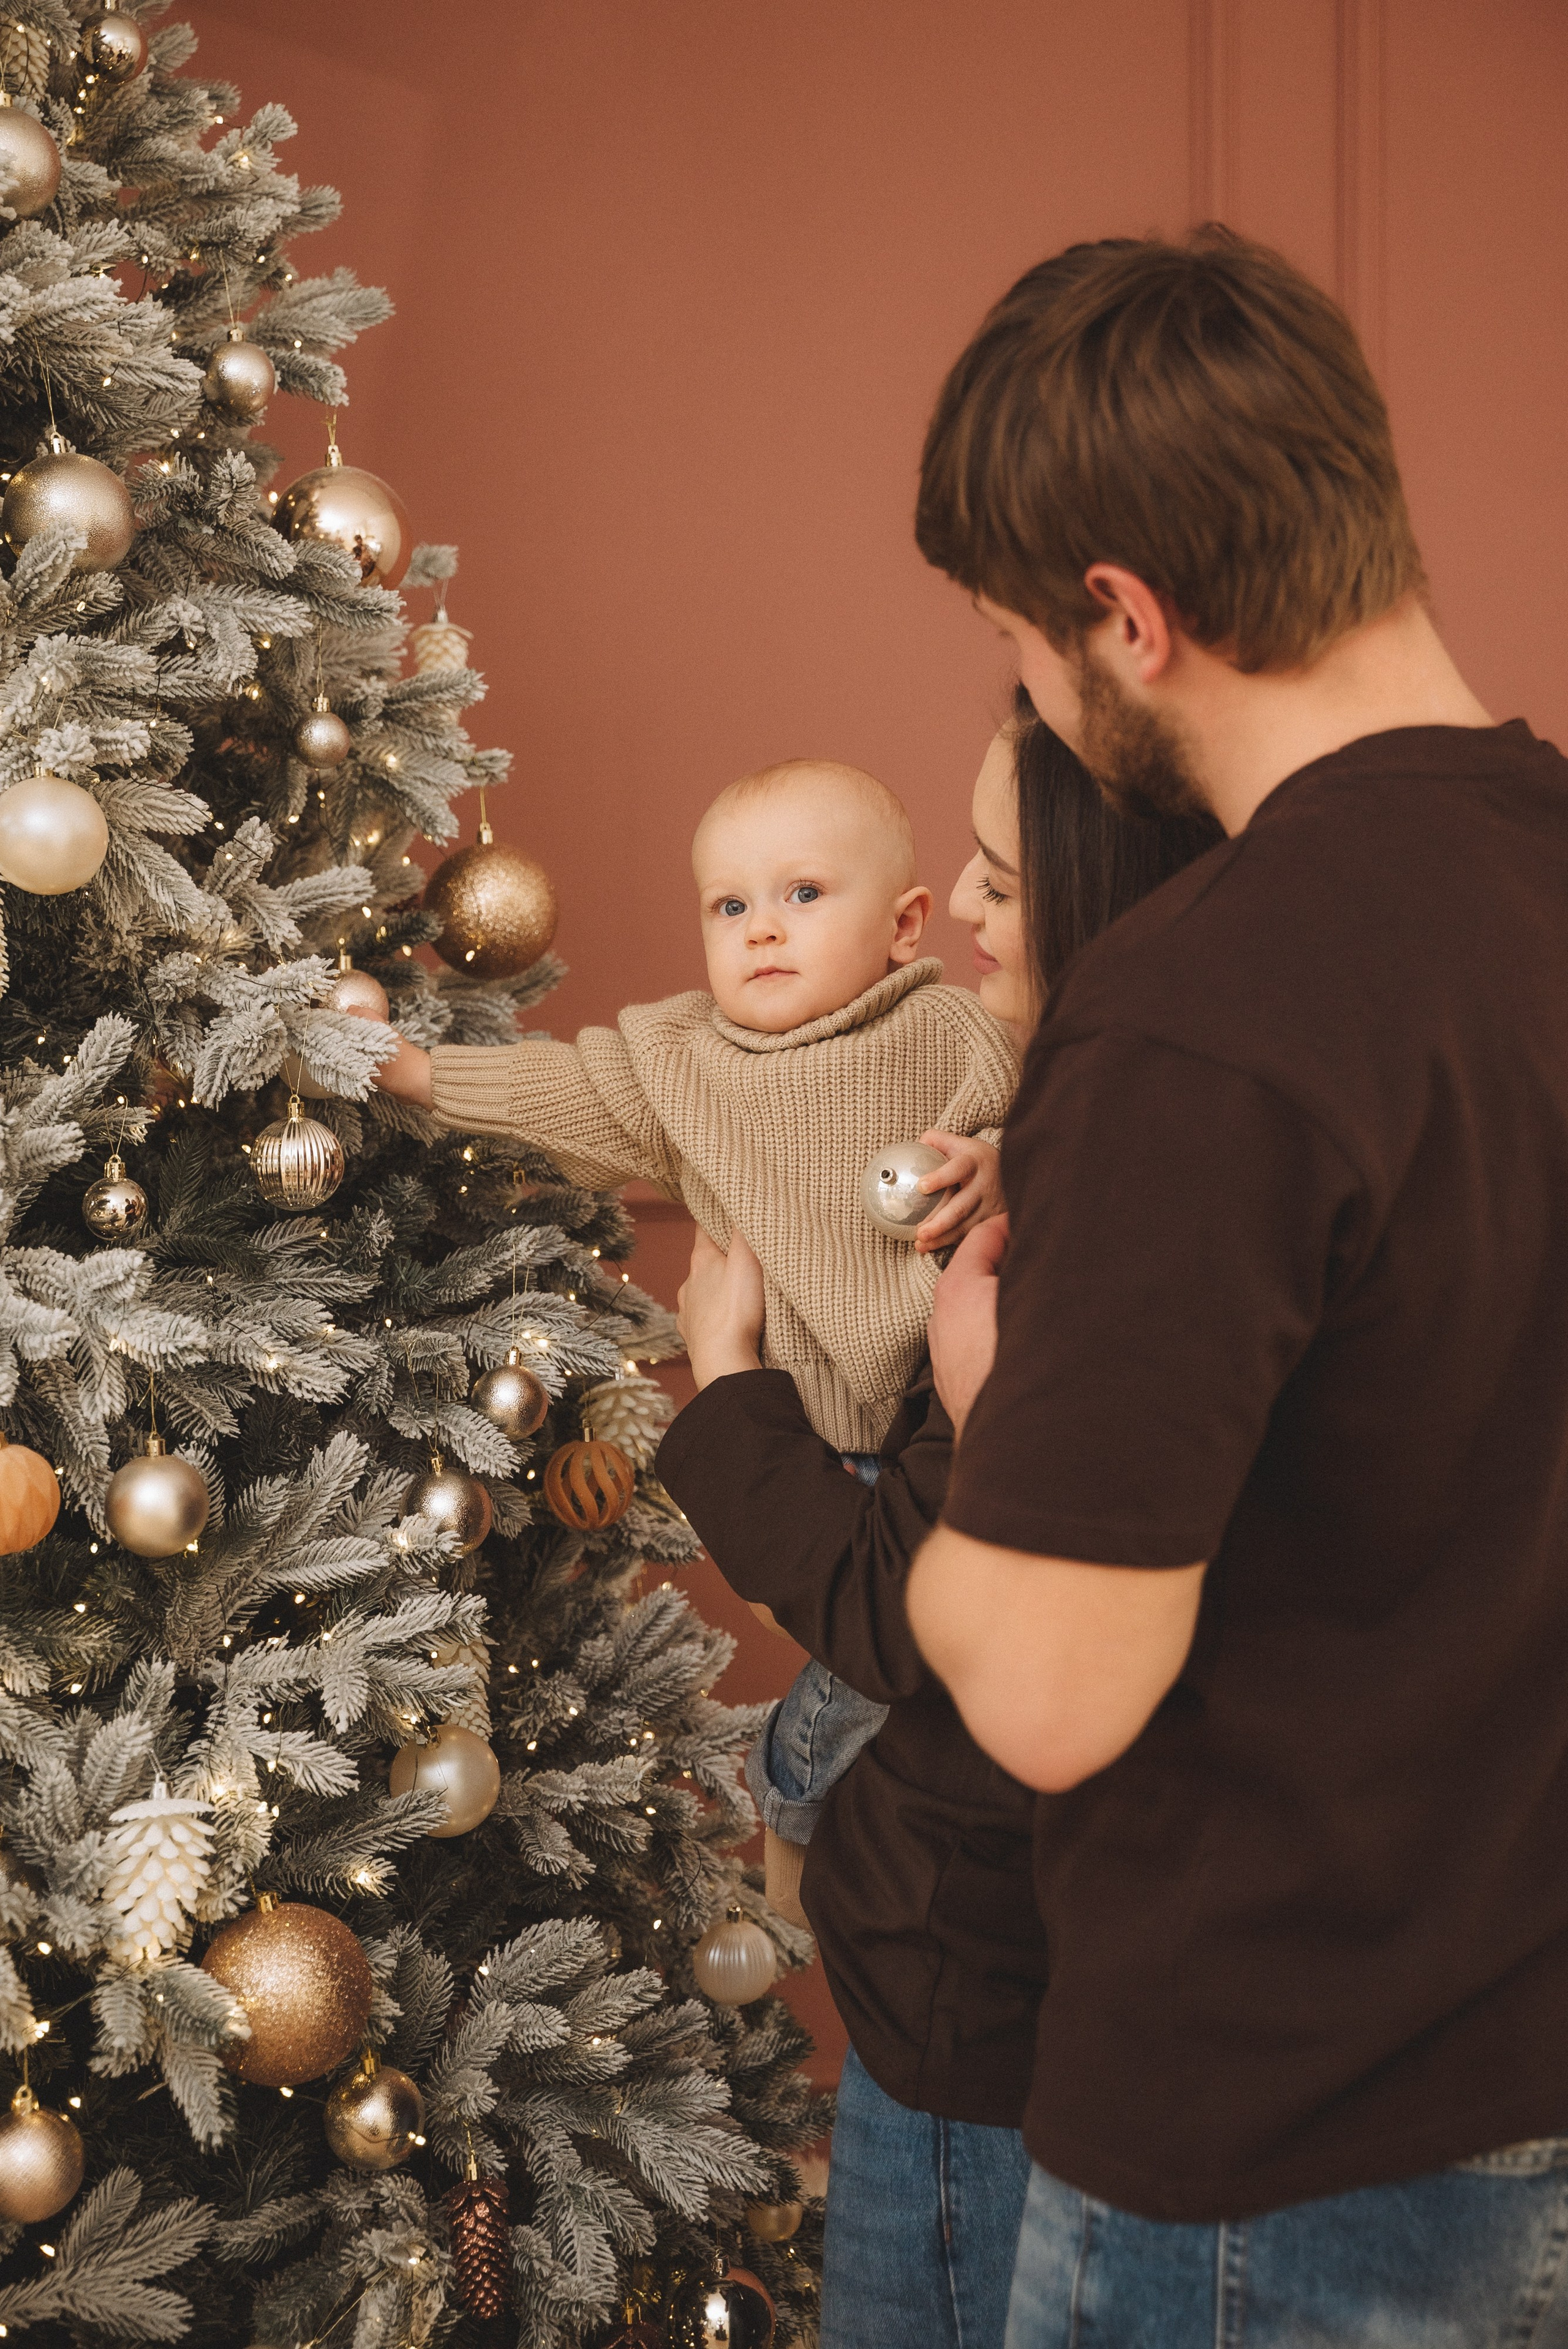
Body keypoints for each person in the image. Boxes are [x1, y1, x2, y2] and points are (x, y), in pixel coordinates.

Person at [906, 227, 1568, 2345]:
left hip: (1285, 2171)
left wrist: (997, 1379)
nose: (1031, 692)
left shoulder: (1208, 1008)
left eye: (1026, 640)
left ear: (1128, 615)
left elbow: (1046, 1688)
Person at [660, 705, 1218, 2349]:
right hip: (971, 1965)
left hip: (978, 1995)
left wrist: (721, 1373)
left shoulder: (1094, 1224)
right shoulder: (1074, 1137)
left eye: (997, 871)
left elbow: (887, 1602)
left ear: (1106, 892)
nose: (968, 907)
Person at [371, 756, 1019, 1912]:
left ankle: (793, 1791)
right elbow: (556, 1091)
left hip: (953, 1424)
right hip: (811, 1444)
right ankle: (797, 1809)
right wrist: (411, 1071)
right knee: (882, 1674)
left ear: (907, 923)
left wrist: (999, 1161)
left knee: (933, 1684)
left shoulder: (957, 1032)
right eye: (732, 907)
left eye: (804, 896)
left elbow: (1058, 1137)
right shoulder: (685, 1066)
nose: (763, 932)